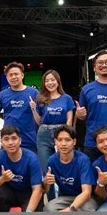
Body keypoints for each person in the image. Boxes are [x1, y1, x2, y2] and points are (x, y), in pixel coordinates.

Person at [32, 69, 75, 200]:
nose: (50, 83)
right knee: (47, 170)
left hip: (61, 134)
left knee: (63, 167)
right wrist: (33, 109)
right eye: (47, 81)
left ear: (58, 81)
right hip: (44, 134)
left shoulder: (67, 98)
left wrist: (65, 136)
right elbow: (39, 121)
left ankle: (64, 198)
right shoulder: (40, 99)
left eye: (52, 80)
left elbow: (69, 120)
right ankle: (52, 201)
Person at [0, 125, 44, 212]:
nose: (10, 143)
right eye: (6, 139)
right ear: (1, 142)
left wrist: (28, 212)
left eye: (14, 138)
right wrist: (2, 179)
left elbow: (37, 189)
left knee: (35, 210)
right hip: (10, 192)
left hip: (28, 193)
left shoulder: (31, 158)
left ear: (20, 140)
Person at [42, 125, 96, 212]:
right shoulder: (52, 160)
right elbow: (45, 190)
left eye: (67, 140)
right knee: (48, 208)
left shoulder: (83, 160)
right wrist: (46, 182)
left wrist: (70, 209)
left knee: (86, 210)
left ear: (74, 142)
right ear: (55, 142)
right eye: (60, 140)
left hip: (85, 198)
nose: (63, 144)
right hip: (65, 198)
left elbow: (87, 192)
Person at [0, 62, 39, 150]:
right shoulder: (2, 94)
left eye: (16, 74)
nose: (13, 77)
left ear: (22, 75)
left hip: (29, 139)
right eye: (10, 75)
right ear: (7, 77)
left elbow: (40, 117)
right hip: (9, 139)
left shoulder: (34, 92)